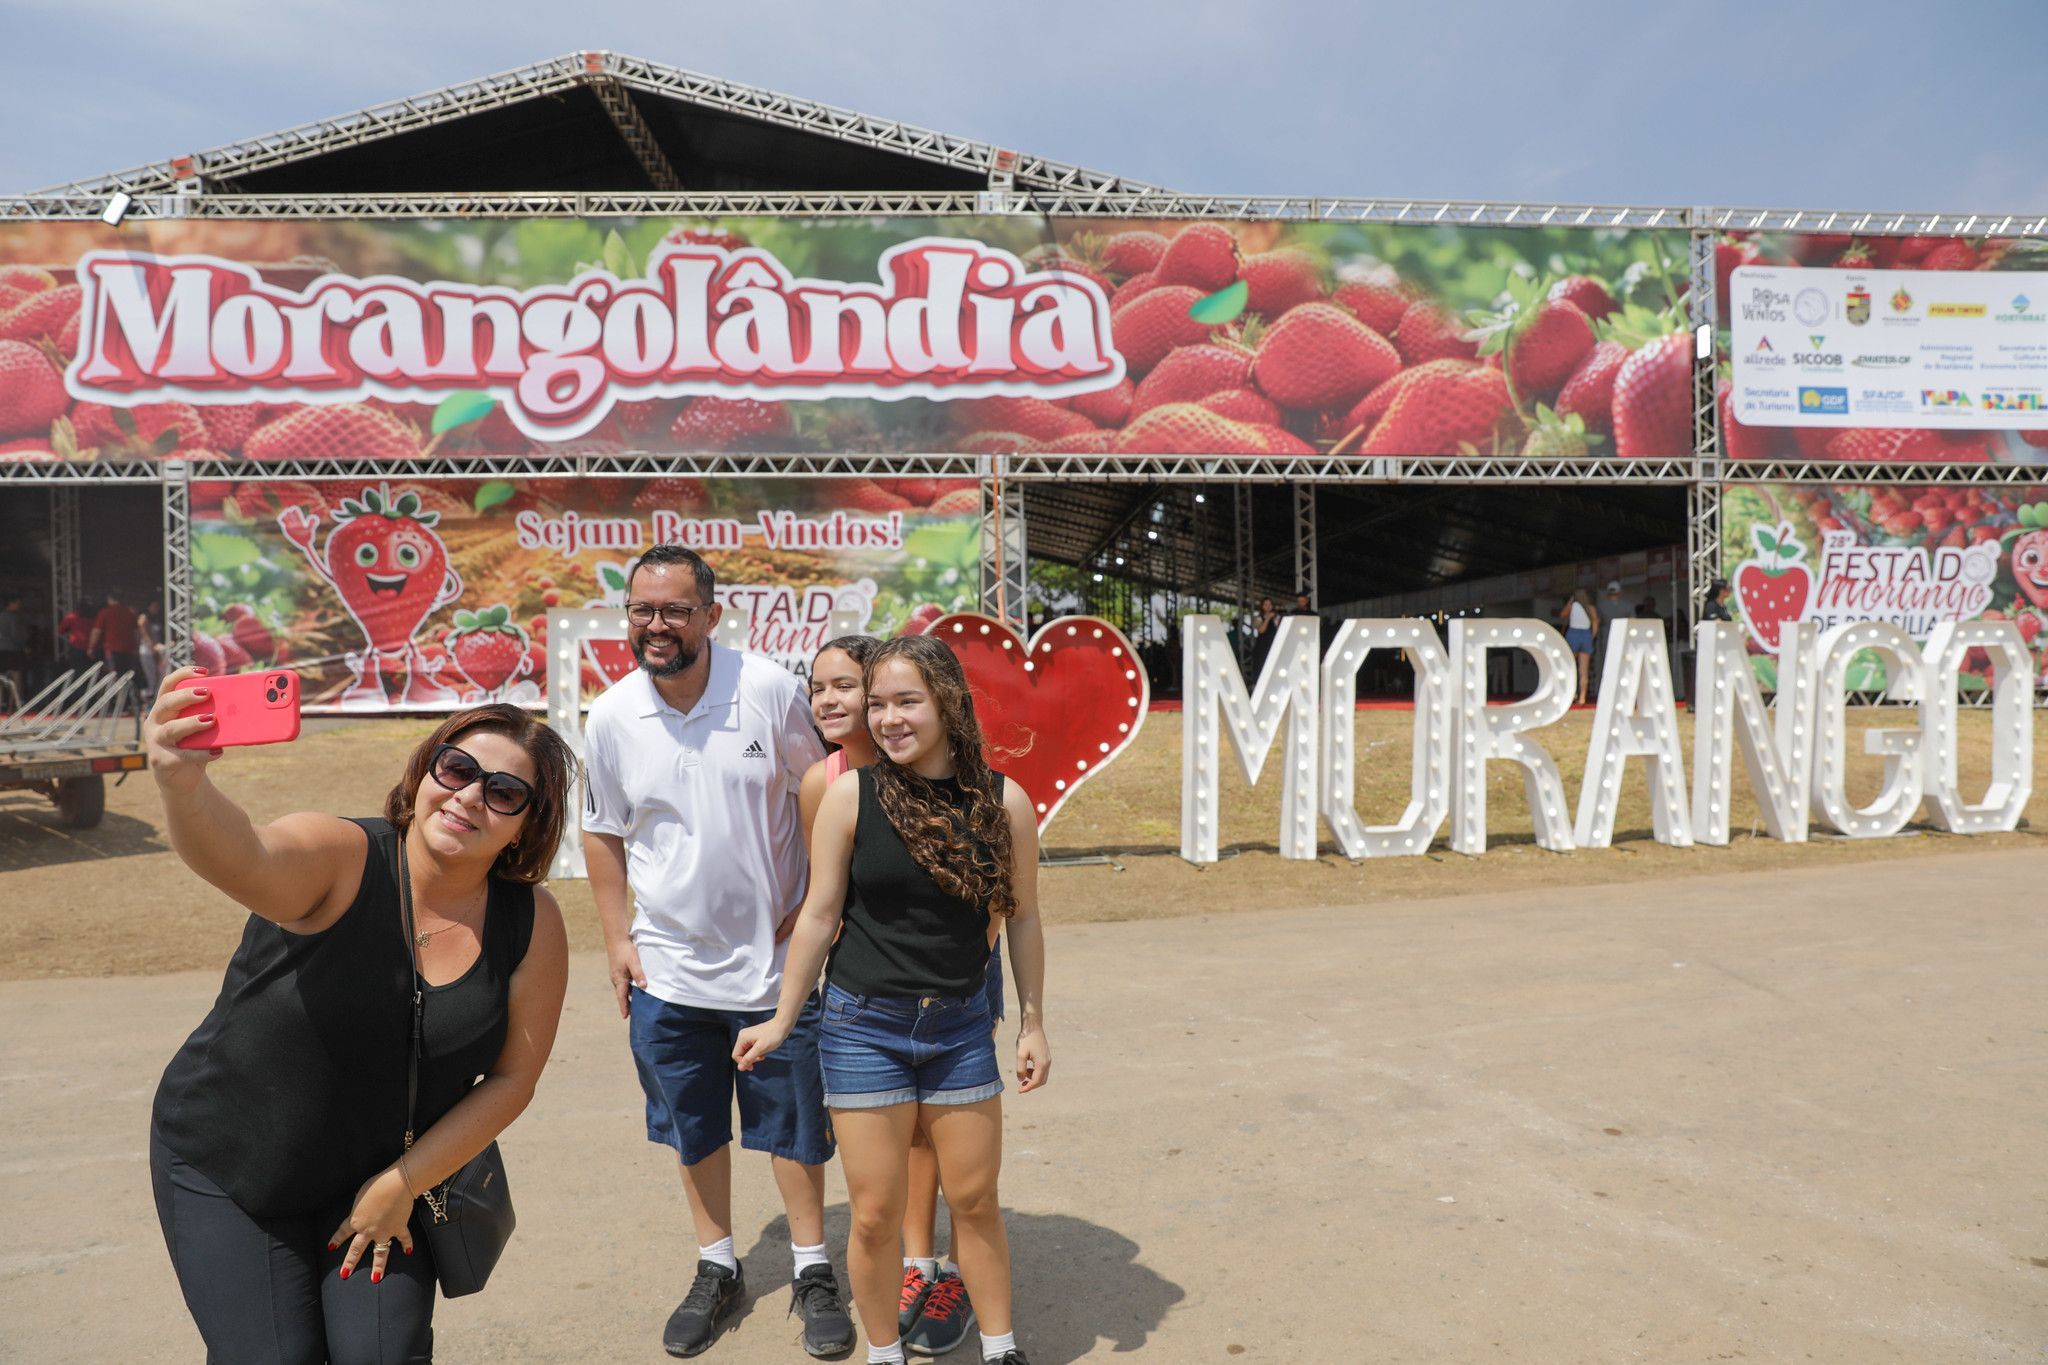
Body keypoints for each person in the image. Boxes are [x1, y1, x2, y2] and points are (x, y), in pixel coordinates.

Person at [144, 688, 574, 1362]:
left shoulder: (531, 922)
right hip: (232, 1163)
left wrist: (401, 1183)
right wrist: (182, 782)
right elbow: (246, 857)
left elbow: (514, 1078)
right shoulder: (344, 857)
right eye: (456, 769)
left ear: (528, 822)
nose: (468, 797)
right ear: (426, 770)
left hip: (379, 1184)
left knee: (384, 1353)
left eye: (503, 792)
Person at [736, 633, 1049, 1365]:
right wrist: (783, 1018)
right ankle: (885, 1353)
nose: (887, 718)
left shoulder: (1005, 802)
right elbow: (818, 915)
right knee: (874, 1213)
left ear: (948, 704)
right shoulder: (849, 794)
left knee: (973, 1200)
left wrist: (1033, 1022)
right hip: (859, 1028)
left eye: (906, 701)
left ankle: (1002, 1348)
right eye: (876, 703)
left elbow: (1025, 916)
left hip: (962, 1027)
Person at [580, 544, 853, 1360]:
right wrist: (617, 938)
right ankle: (717, 1264)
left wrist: (811, 902)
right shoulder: (613, 715)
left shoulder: (767, 689)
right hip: (668, 971)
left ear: (710, 613)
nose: (654, 625)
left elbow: (824, 793)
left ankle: (811, 1270)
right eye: (640, 610)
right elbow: (602, 832)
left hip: (773, 971)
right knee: (691, 1126)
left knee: (793, 1124)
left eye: (672, 609)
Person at [798, 636, 1005, 1357]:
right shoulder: (835, 786)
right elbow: (826, 905)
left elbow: (1009, 900)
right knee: (880, 1193)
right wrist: (785, 1011)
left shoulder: (992, 794)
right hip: (867, 1005)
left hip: (959, 993)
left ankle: (934, 1273)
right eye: (821, 686)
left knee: (961, 1175)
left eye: (850, 686)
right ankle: (910, 1280)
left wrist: (988, 981)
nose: (845, 702)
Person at [89, 587, 142, 683]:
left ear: (109, 599)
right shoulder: (129, 613)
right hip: (128, 649)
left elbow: (96, 631)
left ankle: (116, 696)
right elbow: (136, 633)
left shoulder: (105, 612)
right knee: (127, 675)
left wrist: (91, 647)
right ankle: (125, 695)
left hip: (112, 649)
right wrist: (137, 648)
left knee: (114, 675)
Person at [1560, 588, 1599, 706]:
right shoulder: (1591, 608)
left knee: (1570, 666)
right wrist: (1591, 636)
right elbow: (1595, 622)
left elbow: (1562, 615)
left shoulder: (1573, 606)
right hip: (1586, 634)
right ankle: (1582, 697)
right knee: (1584, 670)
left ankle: (1572, 694)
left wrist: (1569, 602)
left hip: (1573, 633)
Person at [0, 593, 26, 708]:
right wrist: (23, 645)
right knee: (16, 675)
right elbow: (15, 634)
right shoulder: (13, 617)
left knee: (1, 676)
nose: (19, 606)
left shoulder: (1, 616)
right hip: (12, 649)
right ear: (11, 604)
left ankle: (1, 702)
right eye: (18, 603)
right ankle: (18, 701)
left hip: (1, 649)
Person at [1246, 597, 1280, 677]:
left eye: (1270, 604)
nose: (1268, 607)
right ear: (1262, 606)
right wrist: (1267, 619)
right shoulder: (1258, 618)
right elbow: (1261, 630)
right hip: (1262, 647)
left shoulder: (1277, 617)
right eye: (1265, 604)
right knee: (1261, 668)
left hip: (1273, 645)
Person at [59, 598, 94, 674]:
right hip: (91, 649)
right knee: (89, 673)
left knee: (77, 672)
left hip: (77, 649)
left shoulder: (72, 617)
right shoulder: (94, 618)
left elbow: (61, 630)